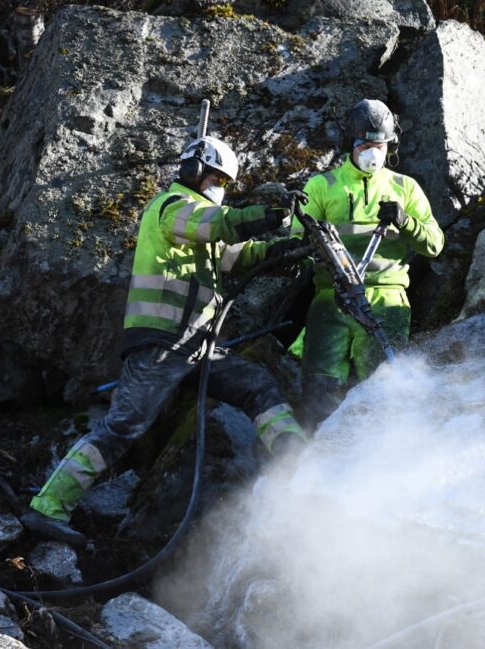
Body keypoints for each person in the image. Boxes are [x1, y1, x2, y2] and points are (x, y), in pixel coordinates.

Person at [22, 135, 309, 546]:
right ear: (194, 172)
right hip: (161, 342)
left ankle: (302, 467)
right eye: (216, 179)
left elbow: (238, 255)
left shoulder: (203, 224)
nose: (220, 189)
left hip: (198, 344)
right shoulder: (171, 209)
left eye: (225, 183)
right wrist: (267, 215)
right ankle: (47, 508)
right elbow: (220, 225)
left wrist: (286, 246)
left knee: (257, 385)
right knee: (124, 425)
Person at [293, 99, 444, 426]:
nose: (372, 152)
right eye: (365, 144)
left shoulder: (405, 188)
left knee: (382, 396)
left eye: (380, 144)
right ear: (350, 143)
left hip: (387, 302)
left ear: (390, 144)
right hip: (330, 300)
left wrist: (405, 221)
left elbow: (434, 244)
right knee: (318, 391)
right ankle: (315, 466)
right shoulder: (322, 186)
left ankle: (379, 464)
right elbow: (295, 242)